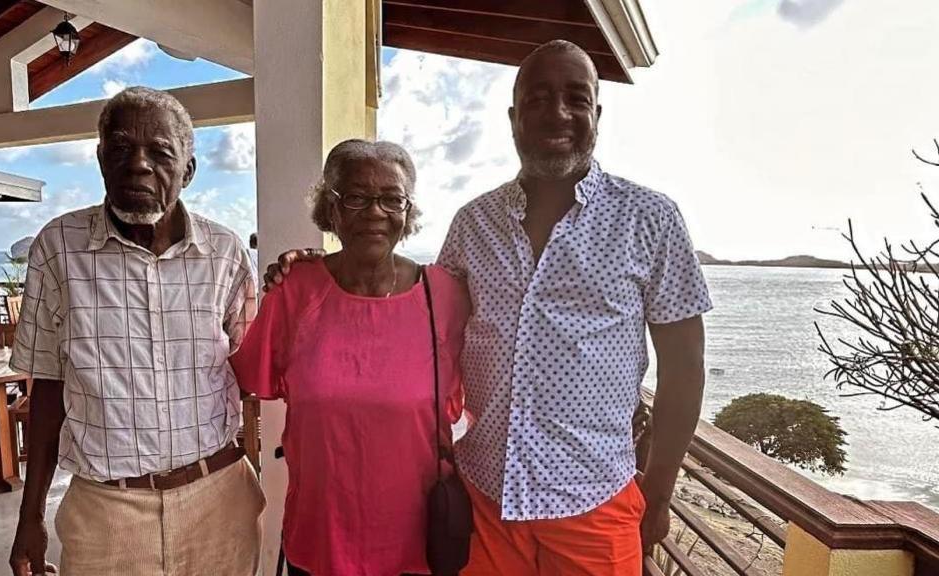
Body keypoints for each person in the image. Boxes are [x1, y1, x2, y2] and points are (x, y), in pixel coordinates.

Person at [265, 39, 711, 575]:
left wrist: (658, 492)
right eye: (539, 98)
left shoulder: (651, 219)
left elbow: (685, 369)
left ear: (597, 112)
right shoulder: (474, 223)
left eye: (576, 97)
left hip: (595, 504)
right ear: (513, 116)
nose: (558, 113)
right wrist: (330, 263)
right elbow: (410, 300)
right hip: (484, 506)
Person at [7, 86, 265, 576]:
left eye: (160, 152)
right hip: (106, 514)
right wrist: (30, 514)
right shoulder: (58, 248)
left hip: (219, 502)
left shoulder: (227, 253)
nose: (139, 165)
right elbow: (46, 387)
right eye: (121, 149)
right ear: (101, 158)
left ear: (187, 171)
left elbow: (254, 376)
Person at [231, 139, 470, 576]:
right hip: (320, 539)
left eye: (391, 198)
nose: (375, 212)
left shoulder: (446, 296)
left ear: (407, 209)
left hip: (419, 544)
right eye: (356, 197)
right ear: (331, 209)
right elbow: (248, 378)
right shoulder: (295, 292)